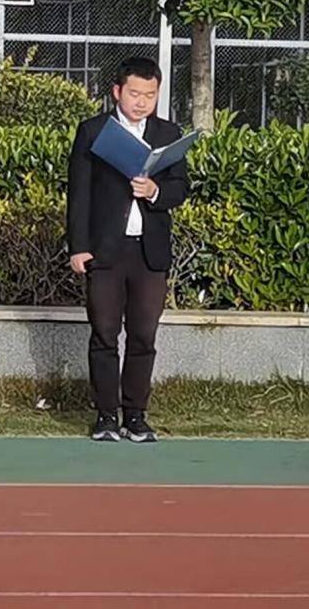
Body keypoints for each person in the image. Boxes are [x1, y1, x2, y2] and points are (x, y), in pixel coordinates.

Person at [67, 56, 188, 442]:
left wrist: (155, 191)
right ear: (117, 91)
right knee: (104, 332)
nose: (141, 102)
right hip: (105, 250)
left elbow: (180, 188)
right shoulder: (93, 131)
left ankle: (136, 414)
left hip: (149, 252)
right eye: (134, 93)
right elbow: (79, 194)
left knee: (143, 334)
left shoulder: (168, 133)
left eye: (150, 95)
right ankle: (106, 414)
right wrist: (78, 247)